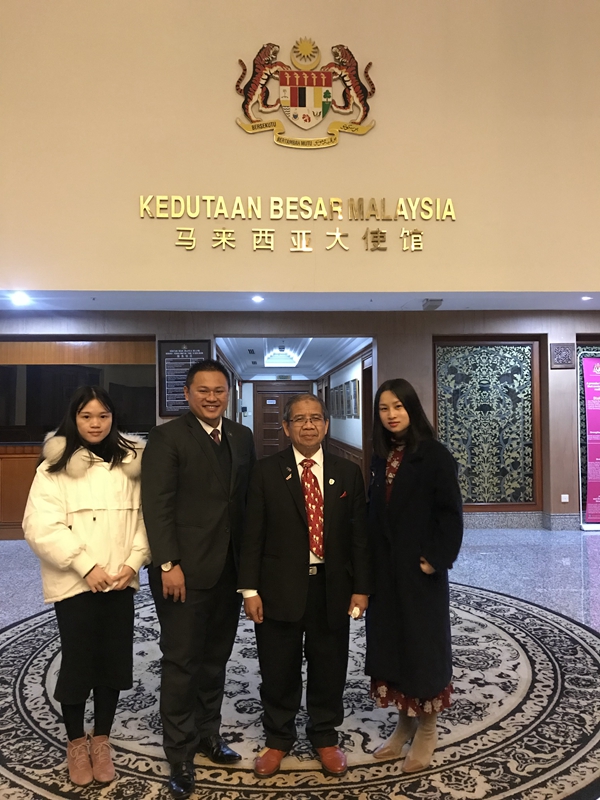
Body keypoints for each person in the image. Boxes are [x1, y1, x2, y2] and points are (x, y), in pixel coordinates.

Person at [22, 385, 149, 788]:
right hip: (76, 583)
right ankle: (76, 741)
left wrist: (133, 562)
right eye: (86, 416)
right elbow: (40, 526)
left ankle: (102, 739)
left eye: (103, 416)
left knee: (114, 663)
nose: (95, 424)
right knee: (79, 663)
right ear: (73, 419)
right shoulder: (53, 467)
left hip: (120, 580)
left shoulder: (131, 463)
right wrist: (85, 565)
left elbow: (147, 519)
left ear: (114, 418)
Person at [239, 393, 371, 779]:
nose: (308, 425)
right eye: (299, 419)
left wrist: (361, 588)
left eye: (315, 418)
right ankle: (278, 738)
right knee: (278, 668)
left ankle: (325, 736)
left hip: (332, 588)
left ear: (326, 425)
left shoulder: (348, 472)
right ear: (286, 427)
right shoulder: (266, 471)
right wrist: (249, 590)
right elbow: (252, 534)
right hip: (278, 588)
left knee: (329, 666)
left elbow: (359, 537)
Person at [142, 359, 255, 800]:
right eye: (203, 390)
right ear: (187, 394)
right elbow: (157, 504)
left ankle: (209, 734)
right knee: (182, 662)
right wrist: (168, 563)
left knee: (215, 659)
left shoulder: (242, 436)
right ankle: (180, 753)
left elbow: (244, 503)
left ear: (229, 394)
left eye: (219, 390)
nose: (212, 397)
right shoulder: (167, 437)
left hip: (228, 569)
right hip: (183, 572)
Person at [365, 378, 463, 772]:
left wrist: (436, 558)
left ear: (412, 409)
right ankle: (403, 723)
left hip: (420, 570)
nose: (391, 415)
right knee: (393, 645)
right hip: (386, 572)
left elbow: (450, 514)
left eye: (398, 407)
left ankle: (427, 728)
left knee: (423, 648)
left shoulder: (434, 455)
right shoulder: (381, 455)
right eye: (384, 408)